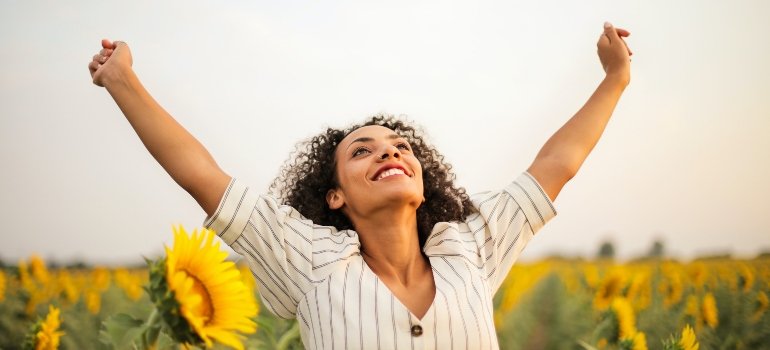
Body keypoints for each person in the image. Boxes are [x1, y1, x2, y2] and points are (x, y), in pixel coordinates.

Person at [89, 21, 632, 349]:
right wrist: (122, 79)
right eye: (362, 151)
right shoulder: (308, 260)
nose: (389, 152)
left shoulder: (470, 246)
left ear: (422, 182)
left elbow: (556, 164)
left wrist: (614, 79)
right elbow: (202, 176)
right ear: (336, 196)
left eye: (400, 146)